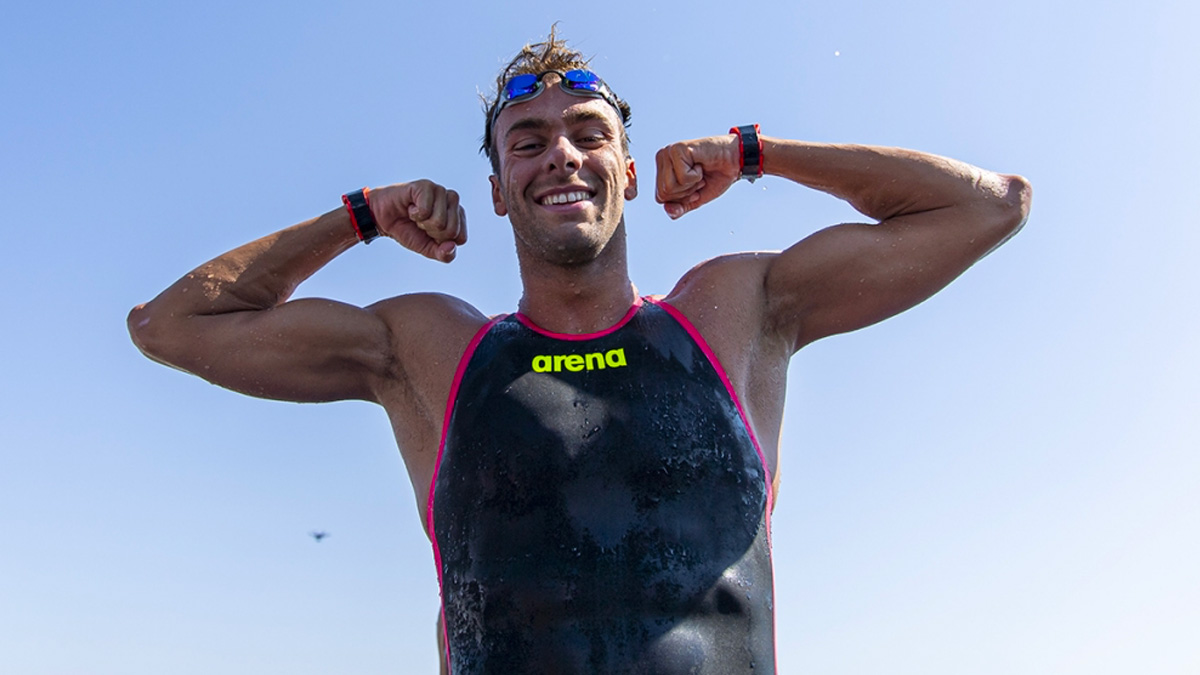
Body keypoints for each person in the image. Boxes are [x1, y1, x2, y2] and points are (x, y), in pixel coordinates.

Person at [128, 28, 1030, 675]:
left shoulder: (732, 315)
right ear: (496, 191)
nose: (560, 154)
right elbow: (169, 327)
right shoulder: (431, 349)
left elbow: (991, 205)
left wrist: (753, 152)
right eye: (528, 143)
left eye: (590, 135)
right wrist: (362, 215)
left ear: (629, 173)